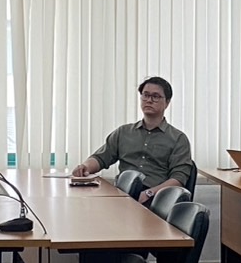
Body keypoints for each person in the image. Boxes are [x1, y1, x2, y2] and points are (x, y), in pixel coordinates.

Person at [72, 76, 193, 205]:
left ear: (167, 102)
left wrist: (149, 193)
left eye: (155, 96)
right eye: (145, 95)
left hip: (154, 199)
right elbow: (101, 158)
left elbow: (178, 179)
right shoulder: (124, 132)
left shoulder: (178, 139)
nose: (149, 100)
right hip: (122, 195)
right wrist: (85, 167)